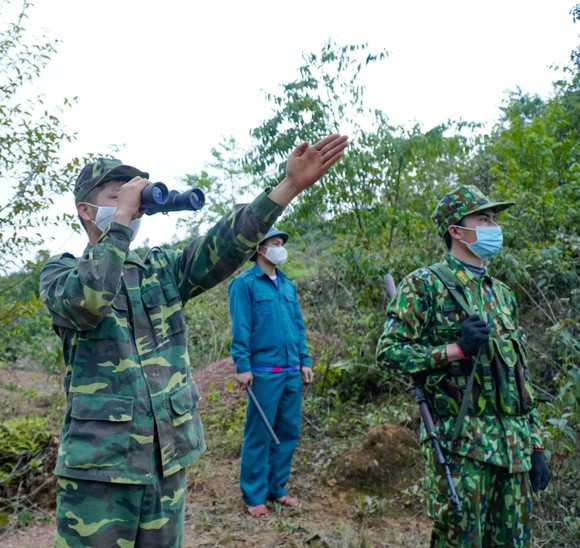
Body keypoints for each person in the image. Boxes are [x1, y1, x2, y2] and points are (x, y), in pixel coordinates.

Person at [40, 135, 347, 547]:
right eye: (120, 196)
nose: (133, 207)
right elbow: (90, 299)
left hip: (166, 460)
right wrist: (118, 227)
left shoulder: (159, 268)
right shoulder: (60, 275)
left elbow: (225, 244)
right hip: (100, 468)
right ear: (86, 210)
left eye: (136, 198)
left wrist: (287, 187)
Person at [376, 185, 552, 547]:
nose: (492, 227)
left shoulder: (501, 293)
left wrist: (535, 446)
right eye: (483, 219)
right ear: (455, 230)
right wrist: (456, 349)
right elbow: (389, 352)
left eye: (493, 220)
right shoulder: (425, 285)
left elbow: (520, 377)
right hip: (462, 448)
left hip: (514, 449)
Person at [228, 227, 313, 519]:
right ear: (260, 249)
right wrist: (242, 366)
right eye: (275, 243)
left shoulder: (287, 284)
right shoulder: (245, 284)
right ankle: (254, 495)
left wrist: (305, 360)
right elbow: (241, 327)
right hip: (264, 372)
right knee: (259, 433)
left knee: (288, 431)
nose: (280, 248)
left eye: (281, 243)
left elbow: (298, 325)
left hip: (291, 370)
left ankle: (277, 488)